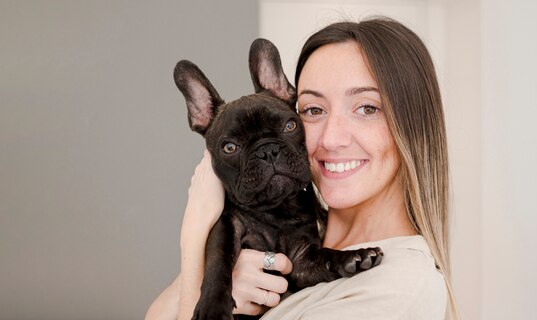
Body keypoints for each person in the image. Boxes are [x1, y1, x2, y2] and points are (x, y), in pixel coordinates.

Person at [146, 17, 459, 320]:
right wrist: (208, 272)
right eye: (313, 109)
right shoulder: (296, 231)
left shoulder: (397, 289)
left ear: (414, 127)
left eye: (367, 108)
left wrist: (192, 237)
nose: (332, 138)